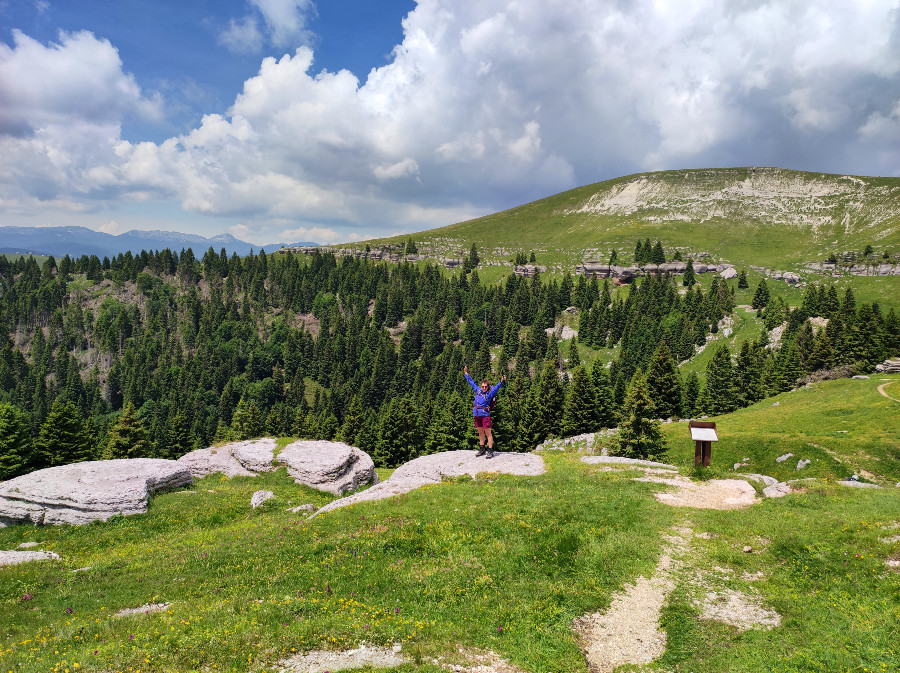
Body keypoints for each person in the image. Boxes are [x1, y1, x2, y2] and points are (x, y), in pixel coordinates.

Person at [463, 365, 506, 458]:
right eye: (482, 386)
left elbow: (496, 388)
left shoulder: (489, 394)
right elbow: (472, 383)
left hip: (485, 415)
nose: (483, 388)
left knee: (488, 434)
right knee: (480, 433)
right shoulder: (477, 391)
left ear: (488, 387)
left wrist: (501, 381)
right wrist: (466, 373)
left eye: (485, 387)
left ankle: (490, 451)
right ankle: (482, 449)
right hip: (477, 415)